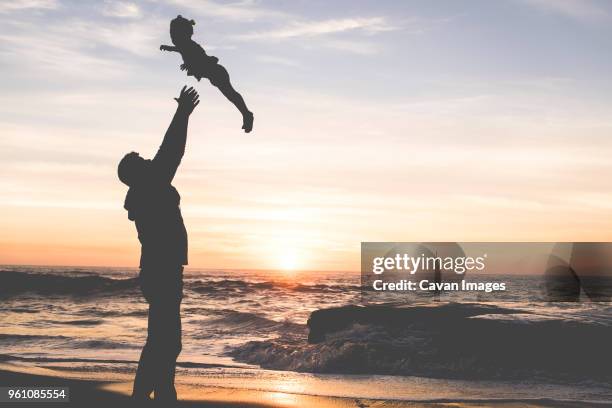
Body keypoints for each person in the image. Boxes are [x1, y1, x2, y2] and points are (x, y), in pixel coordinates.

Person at [117, 86, 200, 403]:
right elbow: (171, 151)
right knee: (165, 341)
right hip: (162, 270)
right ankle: (146, 395)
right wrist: (182, 113)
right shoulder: (150, 185)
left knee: (164, 339)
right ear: (136, 173)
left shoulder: (144, 188)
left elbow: (166, 154)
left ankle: (162, 392)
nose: (147, 158)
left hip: (159, 270)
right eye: (141, 159)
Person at [160, 15, 254, 133]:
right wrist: (171, 51)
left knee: (231, 95)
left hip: (217, 73)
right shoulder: (185, 46)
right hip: (214, 74)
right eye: (171, 35)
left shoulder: (190, 46)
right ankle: (246, 114)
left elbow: (208, 59)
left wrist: (191, 64)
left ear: (183, 34)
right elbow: (180, 50)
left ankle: (247, 114)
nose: (172, 38)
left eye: (174, 35)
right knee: (231, 95)